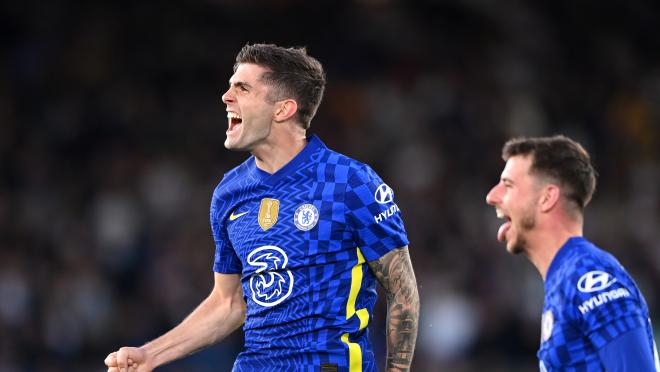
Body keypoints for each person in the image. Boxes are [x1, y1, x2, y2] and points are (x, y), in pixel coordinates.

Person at [104, 43, 419, 372]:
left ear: (282, 110)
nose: (226, 96)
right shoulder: (230, 193)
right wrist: (151, 355)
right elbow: (228, 304)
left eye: (242, 88)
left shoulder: (350, 182)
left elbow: (402, 290)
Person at [486, 135, 659, 371]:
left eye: (508, 185)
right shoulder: (565, 280)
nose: (491, 196)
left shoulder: (588, 275)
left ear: (547, 198)